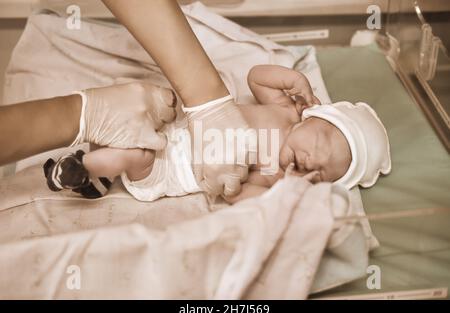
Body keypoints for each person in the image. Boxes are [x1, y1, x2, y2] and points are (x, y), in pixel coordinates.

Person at [0, 0, 250, 198]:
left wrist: (205, 97)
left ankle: (83, 167)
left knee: (131, 154)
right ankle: (83, 168)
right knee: (131, 153)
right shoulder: (285, 111)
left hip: (173, 158)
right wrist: (83, 115)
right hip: (172, 147)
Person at [43, 65, 391, 204]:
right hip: (174, 123)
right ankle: (94, 170)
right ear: (313, 116)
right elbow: (257, 77)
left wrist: (283, 193)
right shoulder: (285, 110)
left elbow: (236, 198)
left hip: (171, 169)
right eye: (323, 143)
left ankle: (79, 168)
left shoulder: (276, 177)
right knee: (138, 101)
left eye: (324, 172)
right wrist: (292, 79)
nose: (314, 160)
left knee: (136, 156)